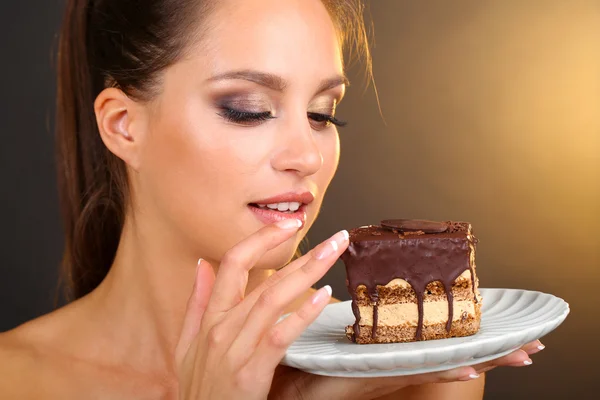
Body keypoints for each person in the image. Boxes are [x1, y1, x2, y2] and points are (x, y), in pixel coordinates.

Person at [0, 0, 544, 398]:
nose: (305, 156)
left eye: (322, 114)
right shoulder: (16, 379)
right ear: (123, 126)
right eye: (249, 108)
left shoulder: (420, 380)